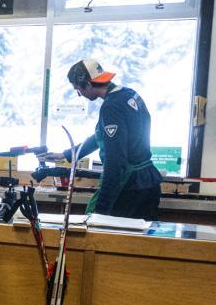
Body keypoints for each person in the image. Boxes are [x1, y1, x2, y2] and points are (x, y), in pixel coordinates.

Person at [66, 58, 163, 221]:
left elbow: (115, 161)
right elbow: (103, 136)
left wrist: (100, 210)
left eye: (78, 89)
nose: (79, 94)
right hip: (149, 183)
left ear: (88, 84)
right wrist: (68, 154)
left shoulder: (111, 107)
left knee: (108, 240)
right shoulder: (129, 94)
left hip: (129, 189)